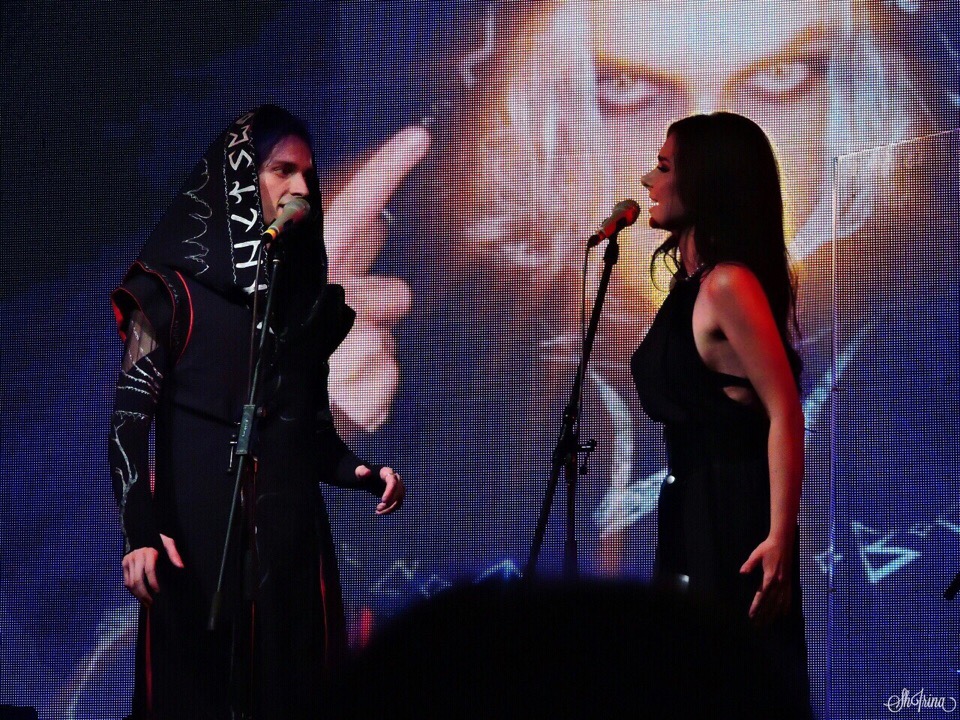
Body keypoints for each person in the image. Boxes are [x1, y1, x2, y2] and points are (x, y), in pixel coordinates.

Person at [108, 105, 406, 719]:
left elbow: (311, 432)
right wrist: (140, 533)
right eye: (282, 170)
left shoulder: (301, 305)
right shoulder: (168, 293)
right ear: (242, 177)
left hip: (291, 554)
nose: (302, 189)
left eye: (308, 176)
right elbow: (128, 423)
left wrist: (361, 471)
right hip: (196, 550)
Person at [630, 113, 809, 700]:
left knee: (734, 683)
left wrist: (779, 538)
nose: (648, 181)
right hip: (690, 507)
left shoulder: (729, 285)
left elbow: (785, 410)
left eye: (663, 167)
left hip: (734, 515)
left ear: (704, 182)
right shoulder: (690, 289)